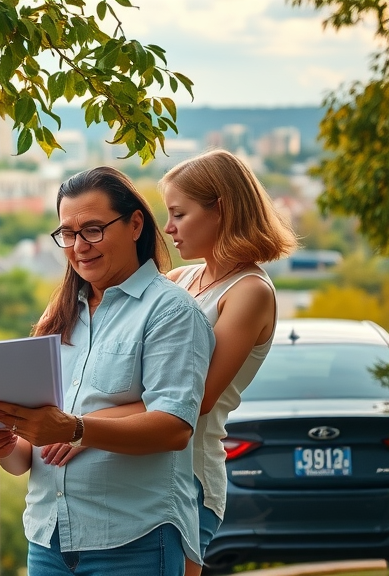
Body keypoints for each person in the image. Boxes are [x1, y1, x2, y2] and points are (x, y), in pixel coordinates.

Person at [0, 166, 214, 576]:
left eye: (93, 230)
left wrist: (76, 429)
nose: (79, 246)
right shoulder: (60, 315)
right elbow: (30, 459)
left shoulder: (172, 312)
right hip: (48, 540)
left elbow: (175, 428)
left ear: (135, 224)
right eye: (67, 233)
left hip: (133, 542)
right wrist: (6, 448)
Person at [160, 149, 296, 575]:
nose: (169, 228)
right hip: (149, 469)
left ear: (219, 209)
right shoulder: (182, 279)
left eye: (179, 214)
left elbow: (195, 398)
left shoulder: (250, 292)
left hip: (189, 478)